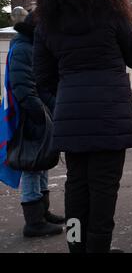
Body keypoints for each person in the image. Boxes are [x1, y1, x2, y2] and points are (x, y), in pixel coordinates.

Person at [33, 0, 132, 253]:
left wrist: (63, 105)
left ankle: (77, 249)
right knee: (104, 189)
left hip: (71, 117)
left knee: (76, 186)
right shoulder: (113, 14)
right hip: (110, 115)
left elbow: (42, 78)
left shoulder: (47, 22)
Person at [9, 12, 64, 238]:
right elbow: (23, 88)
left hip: (39, 114)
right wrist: (42, 114)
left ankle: (42, 213)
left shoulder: (30, 46)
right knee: (33, 166)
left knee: (41, 164)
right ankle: (33, 221)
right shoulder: (23, 49)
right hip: (32, 117)